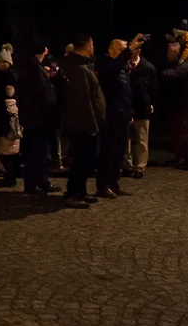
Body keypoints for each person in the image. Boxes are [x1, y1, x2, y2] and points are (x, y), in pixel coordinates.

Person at [62, 34, 106, 209]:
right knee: (82, 159)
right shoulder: (79, 69)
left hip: (83, 122)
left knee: (85, 159)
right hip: (82, 124)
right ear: (87, 45)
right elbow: (84, 100)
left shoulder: (81, 65)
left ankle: (79, 190)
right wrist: (92, 125)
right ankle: (74, 193)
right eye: (92, 44)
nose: (93, 47)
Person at [96, 36, 142, 198]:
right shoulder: (105, 63)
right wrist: (128, 52)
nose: (126, 53)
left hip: (122, 113)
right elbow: (111, 73)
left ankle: (114, 182)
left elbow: (127, 91)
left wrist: (129, 113)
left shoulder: (122, 65)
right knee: (108, 151)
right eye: (122, 50)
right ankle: (103, 185)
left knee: (119, 151)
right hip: (111, 114)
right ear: (112, 50)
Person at [16, 41, 60, 195]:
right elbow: (41, 94)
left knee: (38, 152)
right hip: (37, 117)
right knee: (36, 151)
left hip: (35, 116)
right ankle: (33, 184)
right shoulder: (34, 69)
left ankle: (40, 181)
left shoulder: (32, 67)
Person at [160, 41, 188, 168]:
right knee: (177, 132)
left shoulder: (185, 65)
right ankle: (179, 156)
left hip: (183, 104)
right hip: (176, 104)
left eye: (169, 52)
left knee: (183, 132)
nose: (167, 55)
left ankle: (185, 158)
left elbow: (173, 74)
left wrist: (162, 73)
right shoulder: (177, 65)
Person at [125, 52, 157, 179]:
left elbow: (154, 89)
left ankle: (140, 166)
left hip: (142, 107)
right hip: (127, 106)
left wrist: (151, 104)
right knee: (125, 139)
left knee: (142, 139)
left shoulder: (148, 67)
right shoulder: (124, 65)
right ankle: (127, 165)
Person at [0, 45, 19, 187]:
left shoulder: (10, 76)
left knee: (8, 148)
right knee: (6, 148)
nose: (2, 64)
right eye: (0, 62)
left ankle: (10, 176)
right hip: (1, 116)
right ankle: (9, 174)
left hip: (8, 117)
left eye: (5, 62)